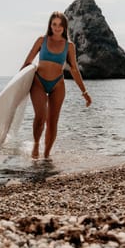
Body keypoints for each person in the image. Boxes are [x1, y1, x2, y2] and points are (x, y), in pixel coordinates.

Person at [21, 11, 92, 159]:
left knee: (52, 122)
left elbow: (74, 69)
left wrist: (84, 92)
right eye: (54, 24)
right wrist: (17, 85)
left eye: (60, 25)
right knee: (40, 117)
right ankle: (35, 145)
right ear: (50, 25)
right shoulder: (42, 40)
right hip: (39, 82)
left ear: (65, 27)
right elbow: (28, 62)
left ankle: (46, 155)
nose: (57, 27)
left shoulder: (69, 46)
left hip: (57, 85)